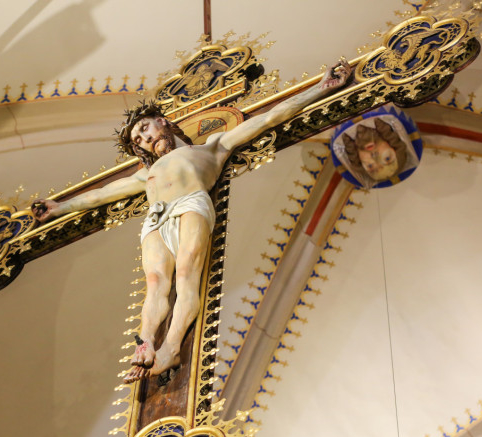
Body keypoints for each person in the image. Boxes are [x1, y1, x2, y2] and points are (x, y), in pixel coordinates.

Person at [31, 59, 351, 383]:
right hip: (156, 219)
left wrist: (321, 88)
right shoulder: (146, 174)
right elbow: (100, 195)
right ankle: (145, 341)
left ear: (162, 121)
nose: (144, 140)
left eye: (145, 130)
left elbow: (269, 118)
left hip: (190, 204)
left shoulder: (213, 147)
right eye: (139, 141)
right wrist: (59, 208)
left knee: (185, 274)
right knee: (155, 282)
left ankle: (170, 348)